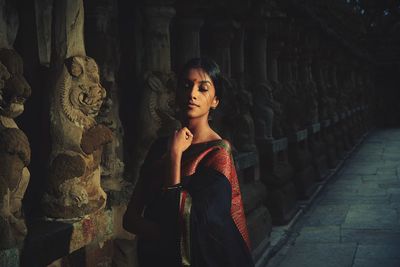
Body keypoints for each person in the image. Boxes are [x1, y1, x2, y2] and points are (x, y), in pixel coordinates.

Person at [123, 57, 254, 267]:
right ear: (176, 93)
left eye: (203, 88)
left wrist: (175, 156)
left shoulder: (217, 154)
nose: (192, 94)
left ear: (215, 100)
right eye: (186, 86)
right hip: (157, 259)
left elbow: (203, 229)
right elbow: (130, 219)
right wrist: (170, 234)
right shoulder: (159, 147)